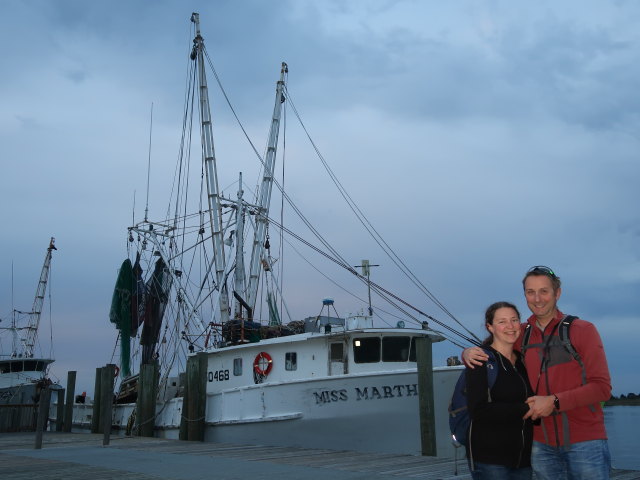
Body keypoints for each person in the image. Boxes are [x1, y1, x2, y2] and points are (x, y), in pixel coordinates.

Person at [463, 266, 612, 480]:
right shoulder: (520, 333)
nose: (537, 298)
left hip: (585, 442)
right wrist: (467, 353)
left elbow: (602, 387)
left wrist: (555, 401)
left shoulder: (582, 330)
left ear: (557, 293)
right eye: (530, 292)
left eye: (544, 291)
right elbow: (493, 349)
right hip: (539, 444)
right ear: (524, 295)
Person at [465, 301, 534, 480]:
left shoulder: (521, 362)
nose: (510, 326)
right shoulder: (481, 359)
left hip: (523, 460)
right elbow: (478, 410)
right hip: (491, 461)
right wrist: (527, 409)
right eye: (502, 321)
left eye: (514, 320)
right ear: (490, 327)